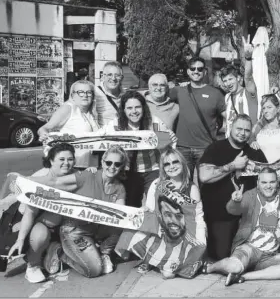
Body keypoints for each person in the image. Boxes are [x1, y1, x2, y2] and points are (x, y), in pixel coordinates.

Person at [22, 146, 129, 278]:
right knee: (94, 270)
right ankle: (58, 252)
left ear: (121, 166)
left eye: (117, 164)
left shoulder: (120, 188)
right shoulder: (89, 175)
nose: (112, 167)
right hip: (75, 229)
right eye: (109, 162)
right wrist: (23, 179)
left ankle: (104, 253)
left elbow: (121, 213)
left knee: (123, 224)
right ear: (102, 162)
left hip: (96, 229)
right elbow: (55, 181)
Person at [115, 147, 206, 279]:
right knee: (136, 224)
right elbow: (151, 209)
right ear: (163, 168)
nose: (172, 166)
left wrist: (201, 240)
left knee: (168, 274)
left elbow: (197, 217)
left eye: (175, 162)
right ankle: (150, 259)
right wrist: (144, 211)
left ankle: (156, 261)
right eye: (167, 164)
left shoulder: (192, 188)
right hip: (162, 230)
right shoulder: (157, 184)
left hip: (181, 235)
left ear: (182, 163)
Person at [203, 167, 280, 286]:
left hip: (270, 254)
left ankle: (243, 277)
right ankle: (209, 268)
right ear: (258, 183)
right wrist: (235, 201)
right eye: (264, 182)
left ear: (277, 183)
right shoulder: (250, 195)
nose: (268, 186)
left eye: (272, 182)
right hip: (249, 248)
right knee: (234, 266)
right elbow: (233, 210)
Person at [199, 114, 267, 261]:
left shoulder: (255, 152)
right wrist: (233, 166)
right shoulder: (216, 148)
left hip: (246, 217)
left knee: (252, 256)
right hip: (220, 215)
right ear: (231, 128)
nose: (242, 133)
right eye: (239, 129)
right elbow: (204, 176)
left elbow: (269, 179)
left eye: (247, 130)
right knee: (221, 255)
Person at [5, 144, 78, 283]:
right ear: (51, 160)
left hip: (63, 222)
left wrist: (94, 172)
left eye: (70, 159)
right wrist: (20, 239)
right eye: (61, 159)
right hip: (34, 220)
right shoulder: (40, 178)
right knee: (41, 233)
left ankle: (54, 249)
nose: (66, 163)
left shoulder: (78, 176)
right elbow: (29, 213)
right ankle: (33, 265)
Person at [102, 90, 177, 207]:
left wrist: (170, 137)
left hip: (152, 170)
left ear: (143, 107)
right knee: (130, 206)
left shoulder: (155, 122)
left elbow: (170, 144)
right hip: (126, 172)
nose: (134, 111)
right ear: (124, 109)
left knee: (158, 204)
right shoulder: (115, 125)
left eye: (138, 107)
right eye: (129, 108)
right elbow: (97, 139)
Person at [170, 57, 226, 179]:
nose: (196, 71)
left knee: (207, 185)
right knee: (183, 183)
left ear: (205, 72)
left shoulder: (215, 93)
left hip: (206, 147)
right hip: (182, 147)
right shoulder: (178, 91)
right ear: (188, 71)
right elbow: (158, 98)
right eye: (193, 68)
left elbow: (229, 116)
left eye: (200, 69)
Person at [38, 80, 100, 168]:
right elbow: (45, 128)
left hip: (90, 167)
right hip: (72, 167)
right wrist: (44, 134)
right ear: (72, 95)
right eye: (80, 92)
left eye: (88, 92)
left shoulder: (90, 113)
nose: (85, 95)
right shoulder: (68, 108)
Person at [222, 36, 258, 136]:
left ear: (238, 78)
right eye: (225, 81)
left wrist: (248, 58)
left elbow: (248, 77)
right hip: (230, 142)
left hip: (247, 140)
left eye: (230, 79)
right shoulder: (227, 97)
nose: (228, 83)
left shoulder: (248, 92)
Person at [249, 94, 280, 164]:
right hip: (262, 172)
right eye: (263, 108)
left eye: (269, 107)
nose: (266, 111)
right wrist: (252, 141)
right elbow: (248, 141)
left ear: (278, 108)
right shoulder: (258, 126)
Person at [95, 61, 124, 127]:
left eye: (117, 75)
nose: (113, 78)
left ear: (122, 78)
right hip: (104, 135)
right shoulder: (94, 93)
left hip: (124, 135)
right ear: (103, 77)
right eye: (109, 75)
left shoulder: (126, 95)